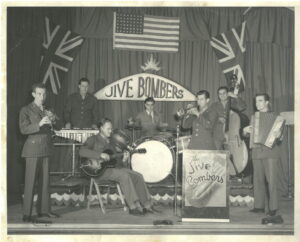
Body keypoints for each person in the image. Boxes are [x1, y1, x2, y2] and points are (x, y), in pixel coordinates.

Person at [79, 118, 156, 216]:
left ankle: (147, 204)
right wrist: (99, 155)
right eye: (108, 129)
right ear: (101, 128)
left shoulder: (111, 142)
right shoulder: (93, 139)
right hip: (99, 172)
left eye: (111, 129)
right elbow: (81, 152)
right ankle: (133, 206)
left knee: (138, 176)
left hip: (112, 170)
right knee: (123, 175)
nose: (111, 131)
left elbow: (116, 163)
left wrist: (123, 160)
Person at [19, 83, 62, 223]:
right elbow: (23, 129)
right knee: (30, 182)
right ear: (33, 94)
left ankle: (44, 211)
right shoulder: (26, 109)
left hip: (46, 148)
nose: (42, 97)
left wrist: (54, 118)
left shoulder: (48, 109)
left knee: (45, 182)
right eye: (39, 94)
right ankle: (27, 214)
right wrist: (39, 124)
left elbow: (60, 127)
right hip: (32, 149)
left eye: (44, 94)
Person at [243, 93, 284, 217]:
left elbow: (281, 138)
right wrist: (245, 132)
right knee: (258, 180)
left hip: (271, 152)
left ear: (267, 102)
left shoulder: (277, 118)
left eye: (260, 101)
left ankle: (273, 208)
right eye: (256, 102)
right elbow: (249, 136)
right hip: (256, 152)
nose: (257, 104)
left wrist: (279, 135)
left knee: (271, 181)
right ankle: (259, 206)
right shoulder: (253, 117)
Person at [211, 85, 247, 150]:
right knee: (216, 155)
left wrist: (235, 96)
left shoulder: (233, 103)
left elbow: (243, 107)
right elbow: (210, 118)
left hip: (231, 133)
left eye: (224, 93)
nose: (222, 95)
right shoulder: (214, 105)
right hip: (217, 135)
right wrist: (218, 119)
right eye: (220, 94)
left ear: (228, 94)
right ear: (218, 95)